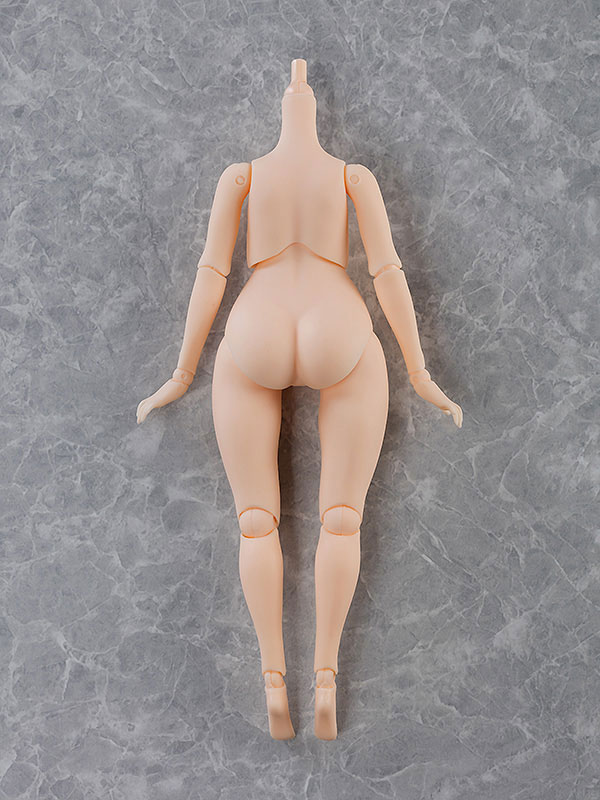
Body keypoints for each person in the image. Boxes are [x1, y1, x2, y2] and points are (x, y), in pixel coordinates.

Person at [137, 59, 462, 740]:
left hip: (255, 325)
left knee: (256, 522)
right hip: (336, 323)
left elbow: (211, 273)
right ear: (312, 114)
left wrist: (182, 371)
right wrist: (419, 370)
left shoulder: (241, 176)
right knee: (342, 519)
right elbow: (387, 271)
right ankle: (327, 680)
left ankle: (272, 682)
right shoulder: (352, 177)